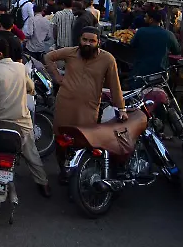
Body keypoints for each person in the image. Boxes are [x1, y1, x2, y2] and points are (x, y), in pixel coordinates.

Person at [44, 27, 125, 177]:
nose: (87, 44)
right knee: (61, 140)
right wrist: (57, 77)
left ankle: (78, 175)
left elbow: (115, 84)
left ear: (98, 42)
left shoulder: (108, 59)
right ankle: (63, 169)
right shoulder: (71, 52)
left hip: (89, 107)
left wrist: (121, 108)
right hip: (65, 103)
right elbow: (48, 57)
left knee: (83, 142)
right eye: (84, 40)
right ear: (80, 40)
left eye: (91, 41)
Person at [0, 39, 50, 197]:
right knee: (31, 153)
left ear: (0, 54)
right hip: (21, 121)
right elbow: (31, 88)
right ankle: (43, 183)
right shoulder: (20, 68)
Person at [130, 11, 180, 79]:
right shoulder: (169, 34)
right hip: (160, 71)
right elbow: (177, 51)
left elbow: (132, 44)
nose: (144, 18)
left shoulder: (141, 31)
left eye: (146, 17)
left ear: (151, 20)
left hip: (141, 70)